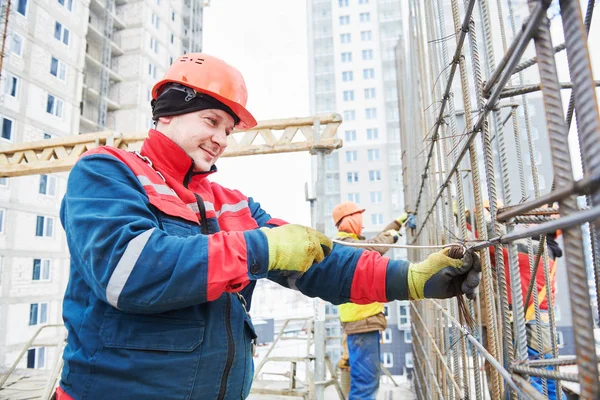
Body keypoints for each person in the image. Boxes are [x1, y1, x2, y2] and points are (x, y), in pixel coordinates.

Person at [56, 53, 481, 400]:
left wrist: (412, 279)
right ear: (167, 114)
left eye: (228, 130)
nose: (221, 139)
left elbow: (321, 263)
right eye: (211, 121)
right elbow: (129, 271)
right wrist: (261, 249)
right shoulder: (108, 173)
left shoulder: (232, 203)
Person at [466, 200, 564, 400]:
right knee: (547, 384)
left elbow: (492, 239)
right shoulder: (541, 249)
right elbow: (494, 256)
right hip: (538, 329)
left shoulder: (531, 249)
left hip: (528, 330)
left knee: (531, 386)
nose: (526, 223)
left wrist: (479, 210)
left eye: (533, 220)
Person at [332, 202, 408, 399]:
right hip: (361, 324)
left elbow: (371, 244)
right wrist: (392, 236)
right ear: (349, 220)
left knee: (365, 382)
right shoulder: (345, 244)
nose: (363, 225)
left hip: (361, 324)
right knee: (365, 385)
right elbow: (372, 248)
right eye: (360, 220)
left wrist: (396, 225)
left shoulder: (350, 243)